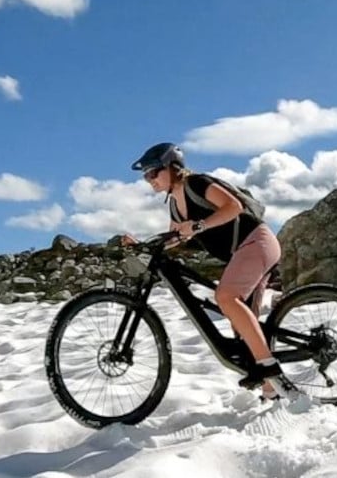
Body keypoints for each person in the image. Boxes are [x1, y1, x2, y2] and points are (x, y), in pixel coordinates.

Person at [123, 142, 296, 400]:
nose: (149, 180)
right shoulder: (174, 204)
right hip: (244, 252)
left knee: (226, 297)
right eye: (146, 175)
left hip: (257, 242)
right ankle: (274, 393)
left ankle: (272, 371)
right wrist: (142, 245)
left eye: (153, 172)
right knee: (242, 330)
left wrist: (199, 225)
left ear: (172, 168)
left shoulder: (197, 184)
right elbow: (175, 238)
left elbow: (233, 206)